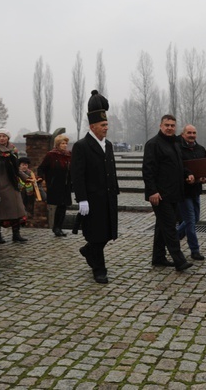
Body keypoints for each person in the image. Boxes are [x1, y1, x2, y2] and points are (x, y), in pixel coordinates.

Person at [72, 90, 120, 283]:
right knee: (97, 234)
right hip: (92, 198)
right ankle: (99, 269)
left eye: (107, 124)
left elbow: (111, 169)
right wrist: (82, 198)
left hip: (108, 197)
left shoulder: (107, 145)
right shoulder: (81, 146)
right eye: (103, 125)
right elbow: (77, 174)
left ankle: (88, 250)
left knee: (108, 233)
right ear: (92, 126)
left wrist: (115, 189)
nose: (106, 128)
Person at [142, 114, 193, 272]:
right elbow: (147, 170)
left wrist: (187, 174)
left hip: (174, 194)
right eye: (167, 125)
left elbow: (178, 165)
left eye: (172, 125)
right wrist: (152, 191)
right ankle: (179, 261)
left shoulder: (175, 144)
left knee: (162, 226)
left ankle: (158, 257)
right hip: (160, 195)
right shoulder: (153, 144)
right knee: (170, 227)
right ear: (160, 126)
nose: (170, 128)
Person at [0, 128, 28, 244]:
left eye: (4, 136)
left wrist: (28, 178)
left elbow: (16, 169)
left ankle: (16, 234)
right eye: (0, 136)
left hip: (12, 184)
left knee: (17, 209)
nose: (2, 138)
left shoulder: (13, 151)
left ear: (8, 138)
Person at [177, 124, 206, 261]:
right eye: (189, 133)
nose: (191, 135)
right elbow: (178, 166)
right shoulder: (178, 148)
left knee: (195, 219)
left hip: (196, 190)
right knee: (190, 220)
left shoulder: (201, 149)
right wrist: (187, 175)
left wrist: (205, 177)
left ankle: (173, 237)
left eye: (194, 133)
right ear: (183, 134)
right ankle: (194, 250)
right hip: (183, 191)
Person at [38, 134, 72, 238]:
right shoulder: (51, 155)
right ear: (57, 144)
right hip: (55, 184)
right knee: (58, 205)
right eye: (62, 143)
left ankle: (58, 227)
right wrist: (42, 179)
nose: (65, 145)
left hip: (66, 185)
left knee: (63, 206)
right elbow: (41, 168)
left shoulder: (69, 154)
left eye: (66, 143)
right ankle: (56, 228)